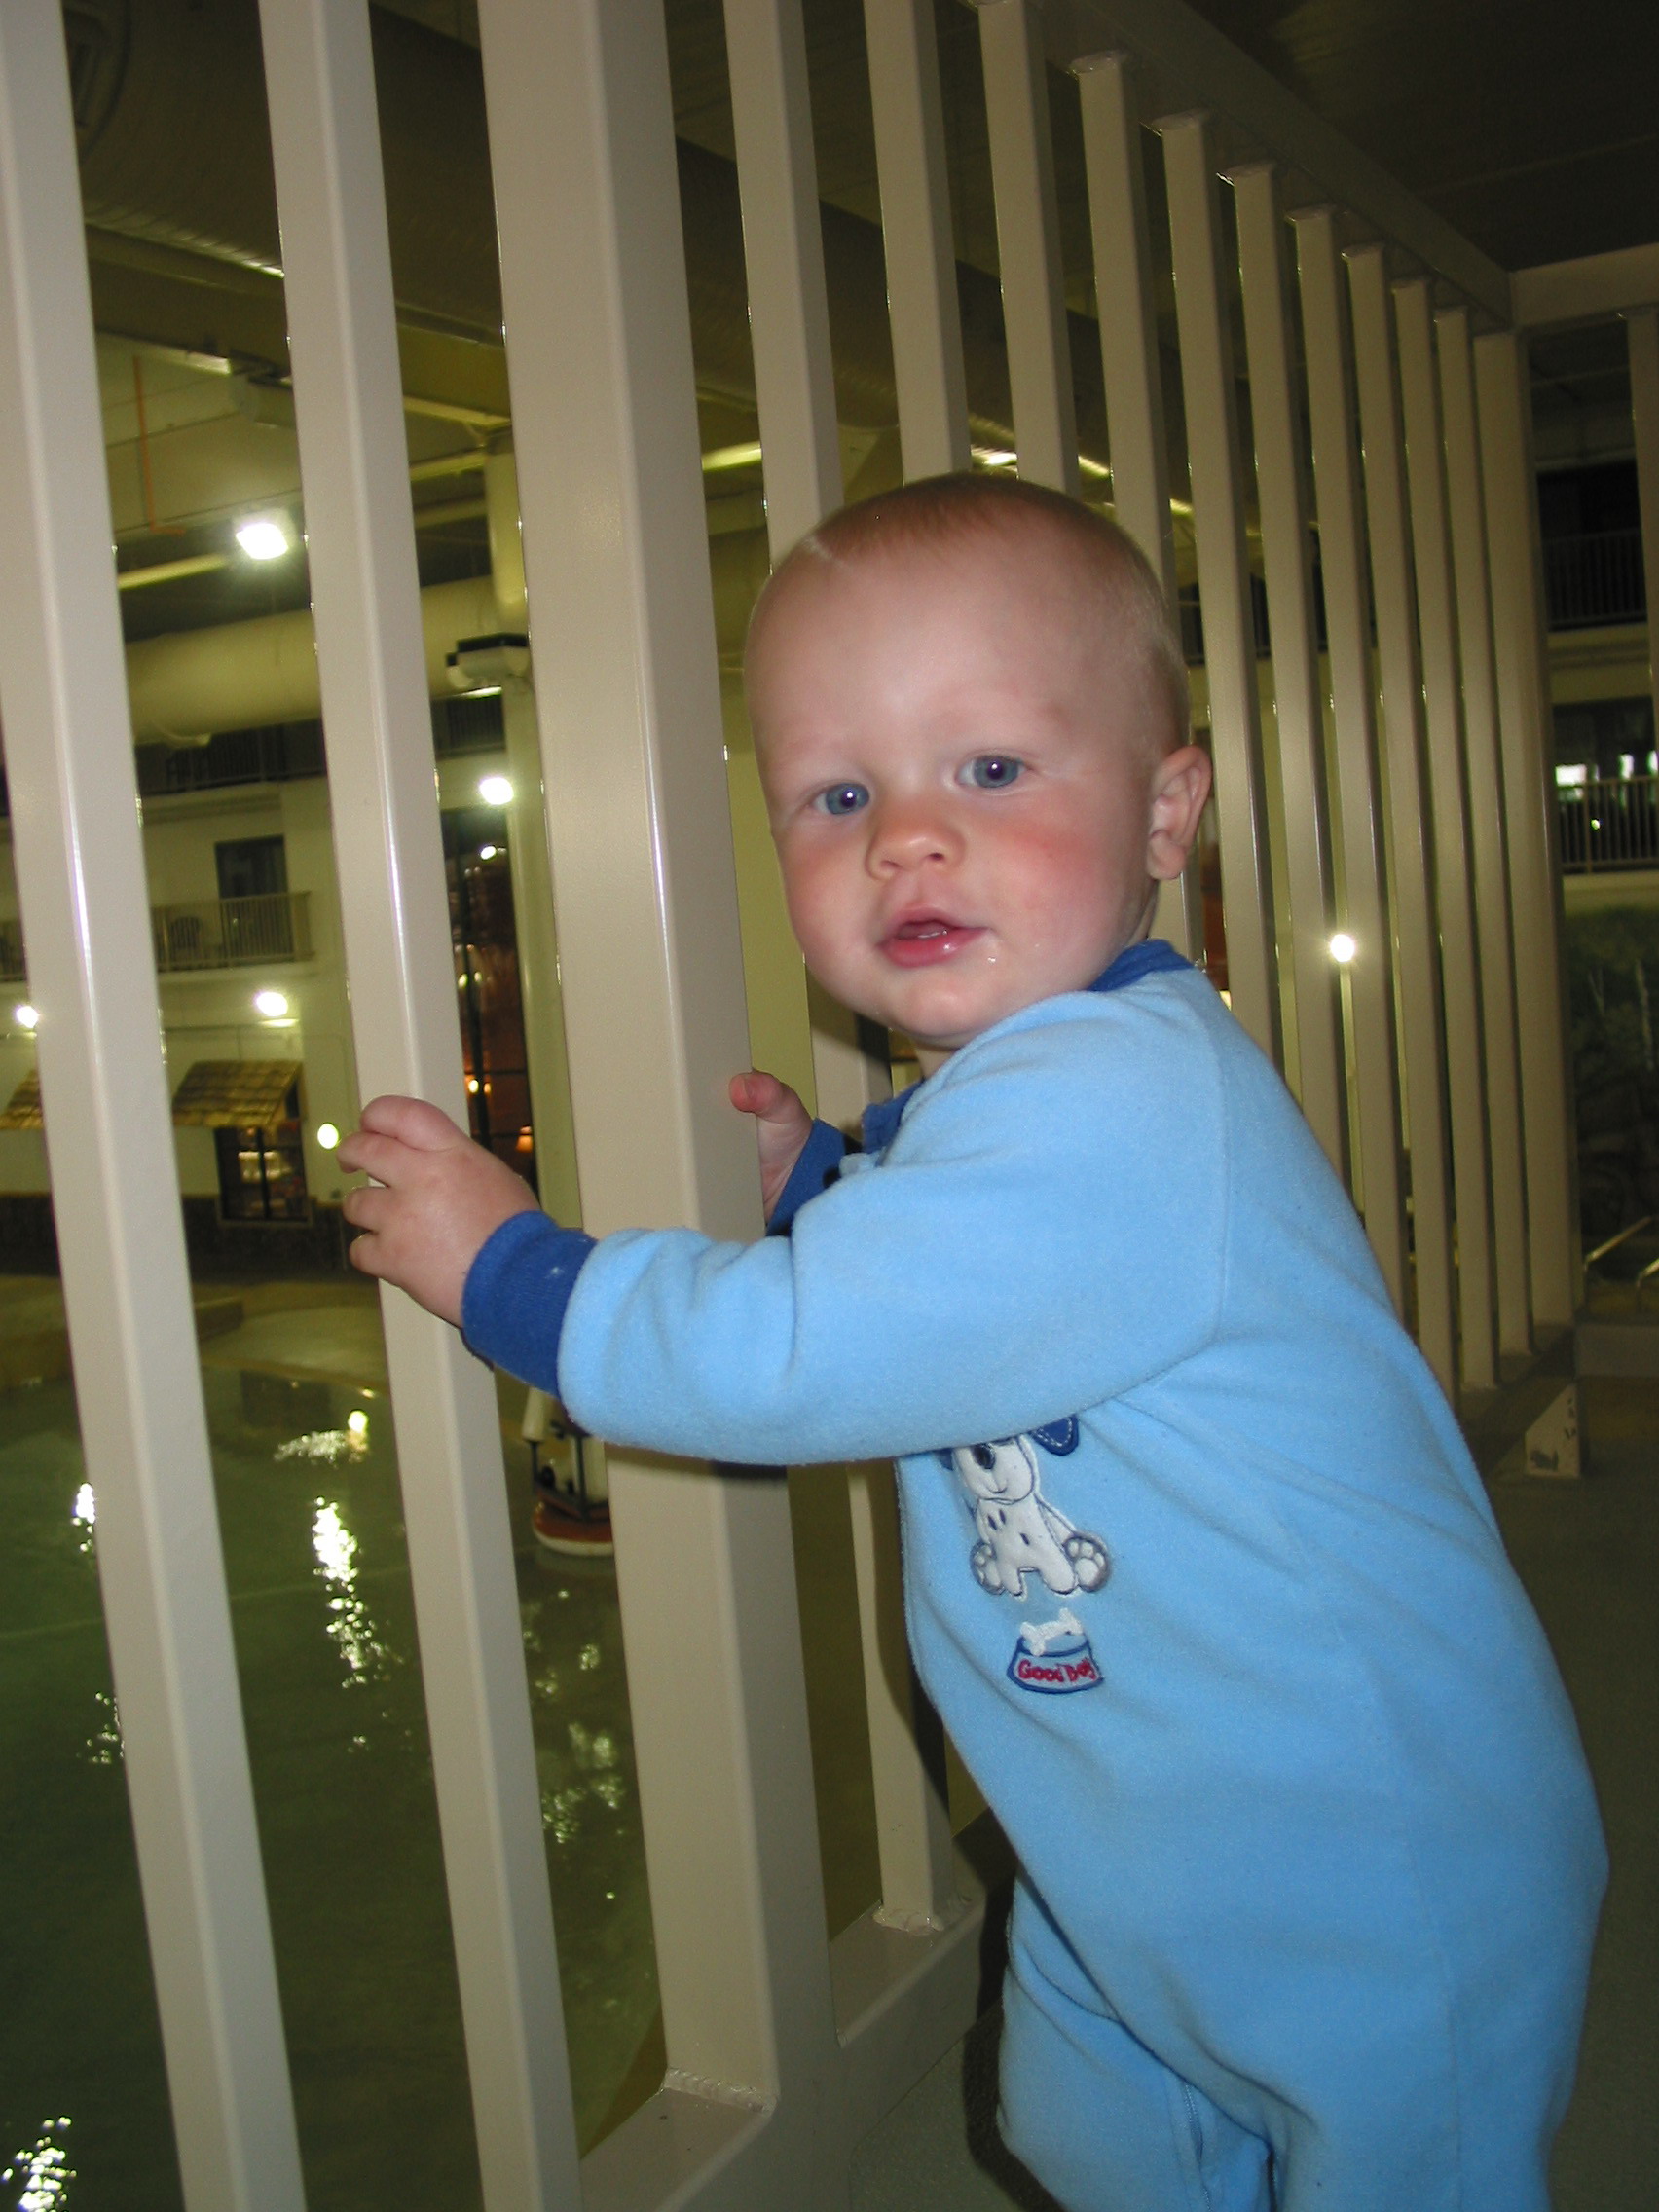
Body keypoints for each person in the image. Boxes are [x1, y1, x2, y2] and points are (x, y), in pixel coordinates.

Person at [338, 474, 1604, 2212]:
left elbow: (810, 1356)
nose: (905, 840)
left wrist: (510, 1273)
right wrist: (829, 1183)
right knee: (1097, 2134)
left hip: (1364, 1841)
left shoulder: (1122, 1097)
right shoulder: (1039, 1086)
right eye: (838, 793)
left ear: (1168, 812)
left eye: (991, 768)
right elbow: (978, 1285)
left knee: (1395, 2164)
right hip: (1138, 1820)